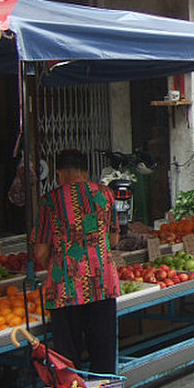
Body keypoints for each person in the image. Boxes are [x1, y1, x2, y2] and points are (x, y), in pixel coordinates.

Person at [31, 149, 120, 373]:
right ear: (87, 171)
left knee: (68, 358)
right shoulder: (106, 195)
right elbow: (114, 238)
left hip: (65, 288)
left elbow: (40, 252)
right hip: (102, 283)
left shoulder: (50, 201)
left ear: (58, 174)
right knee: (104, 352)